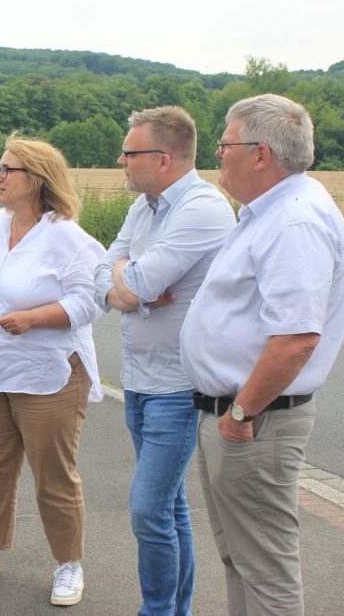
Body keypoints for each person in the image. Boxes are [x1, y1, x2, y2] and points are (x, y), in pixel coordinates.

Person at [181, 94, 344, 616]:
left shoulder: (295, 221)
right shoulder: (269, 213)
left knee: (265, 569)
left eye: (225, 144)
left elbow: (297, 338)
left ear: (260, 154)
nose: (218, 154)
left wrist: (240, 413)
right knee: (242, 559)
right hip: (239, 416)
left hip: (254, 422)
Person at [0, 134, 105, 607]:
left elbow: (91, 300)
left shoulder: (68, 237)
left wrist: (33, 319)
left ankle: (69, 563)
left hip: (48, 375)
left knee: (54, 476)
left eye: (9, 169)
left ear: (37, 180)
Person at [94, 106, 236, 616]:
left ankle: (157, 611)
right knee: (170, 507)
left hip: (179, 385)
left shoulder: (202, 207)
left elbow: (129, 281)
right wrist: (131, 288)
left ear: (164, 158)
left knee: (149, 508)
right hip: (138, 378)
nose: (121, 161)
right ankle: (176, 610)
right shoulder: (146, 206)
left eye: (130, 153)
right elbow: (103, 273)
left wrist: (129, 284)